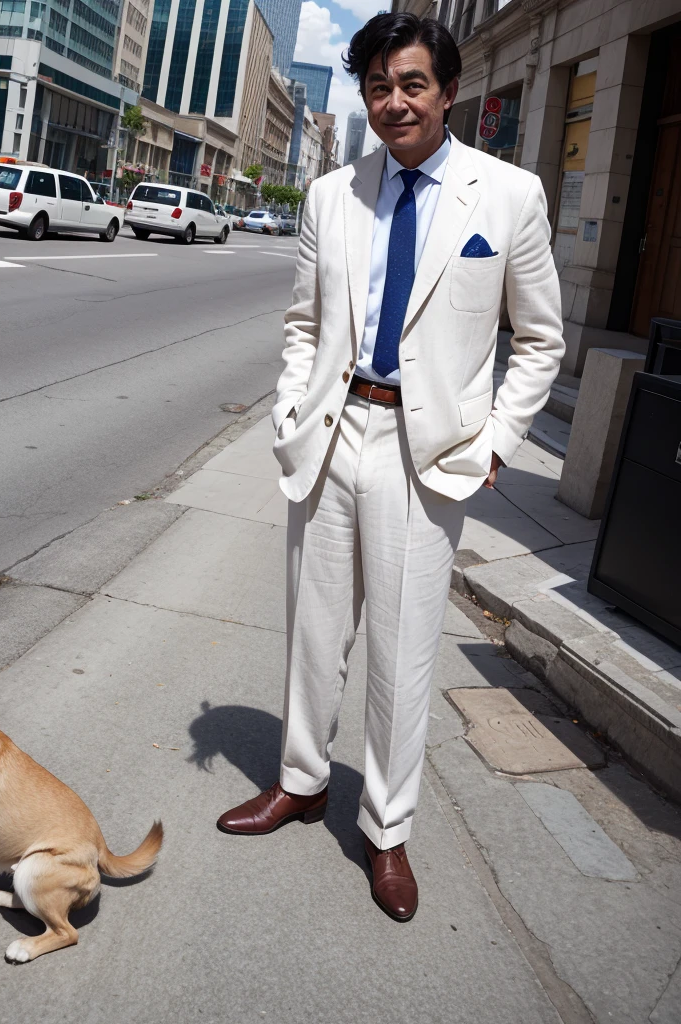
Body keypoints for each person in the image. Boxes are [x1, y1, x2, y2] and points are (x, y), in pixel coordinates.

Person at [216, 13, 565, 922]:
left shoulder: (509, 196)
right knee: (313, 632)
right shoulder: (332, 195)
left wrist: (493, 444)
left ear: (449, 92)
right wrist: (294, 410)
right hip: (334, 436)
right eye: (378, 86)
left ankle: (386, 831)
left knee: (402, 658)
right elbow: (304, 324)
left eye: (411, 84)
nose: (394, 101)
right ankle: (300, 781)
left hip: (428, 457)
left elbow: (540, 340)